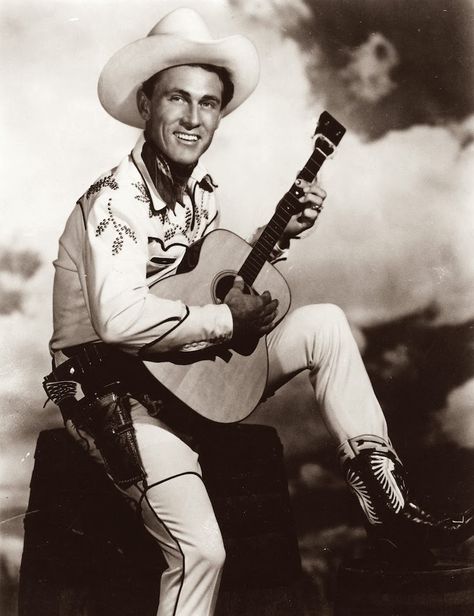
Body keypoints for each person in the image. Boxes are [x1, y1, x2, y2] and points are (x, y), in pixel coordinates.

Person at [44, 8, 473, 616]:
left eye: (209, 104)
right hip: (113, 391)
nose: (194, 118)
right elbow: (118, 320)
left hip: (183, 375)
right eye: (177, 99)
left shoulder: (199, 196)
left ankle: (391, 508)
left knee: (324, 324)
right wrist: (229, 323)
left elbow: (195, 284)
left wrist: (280, 234)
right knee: (201, 555)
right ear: (146, 104)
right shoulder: (114, 202)